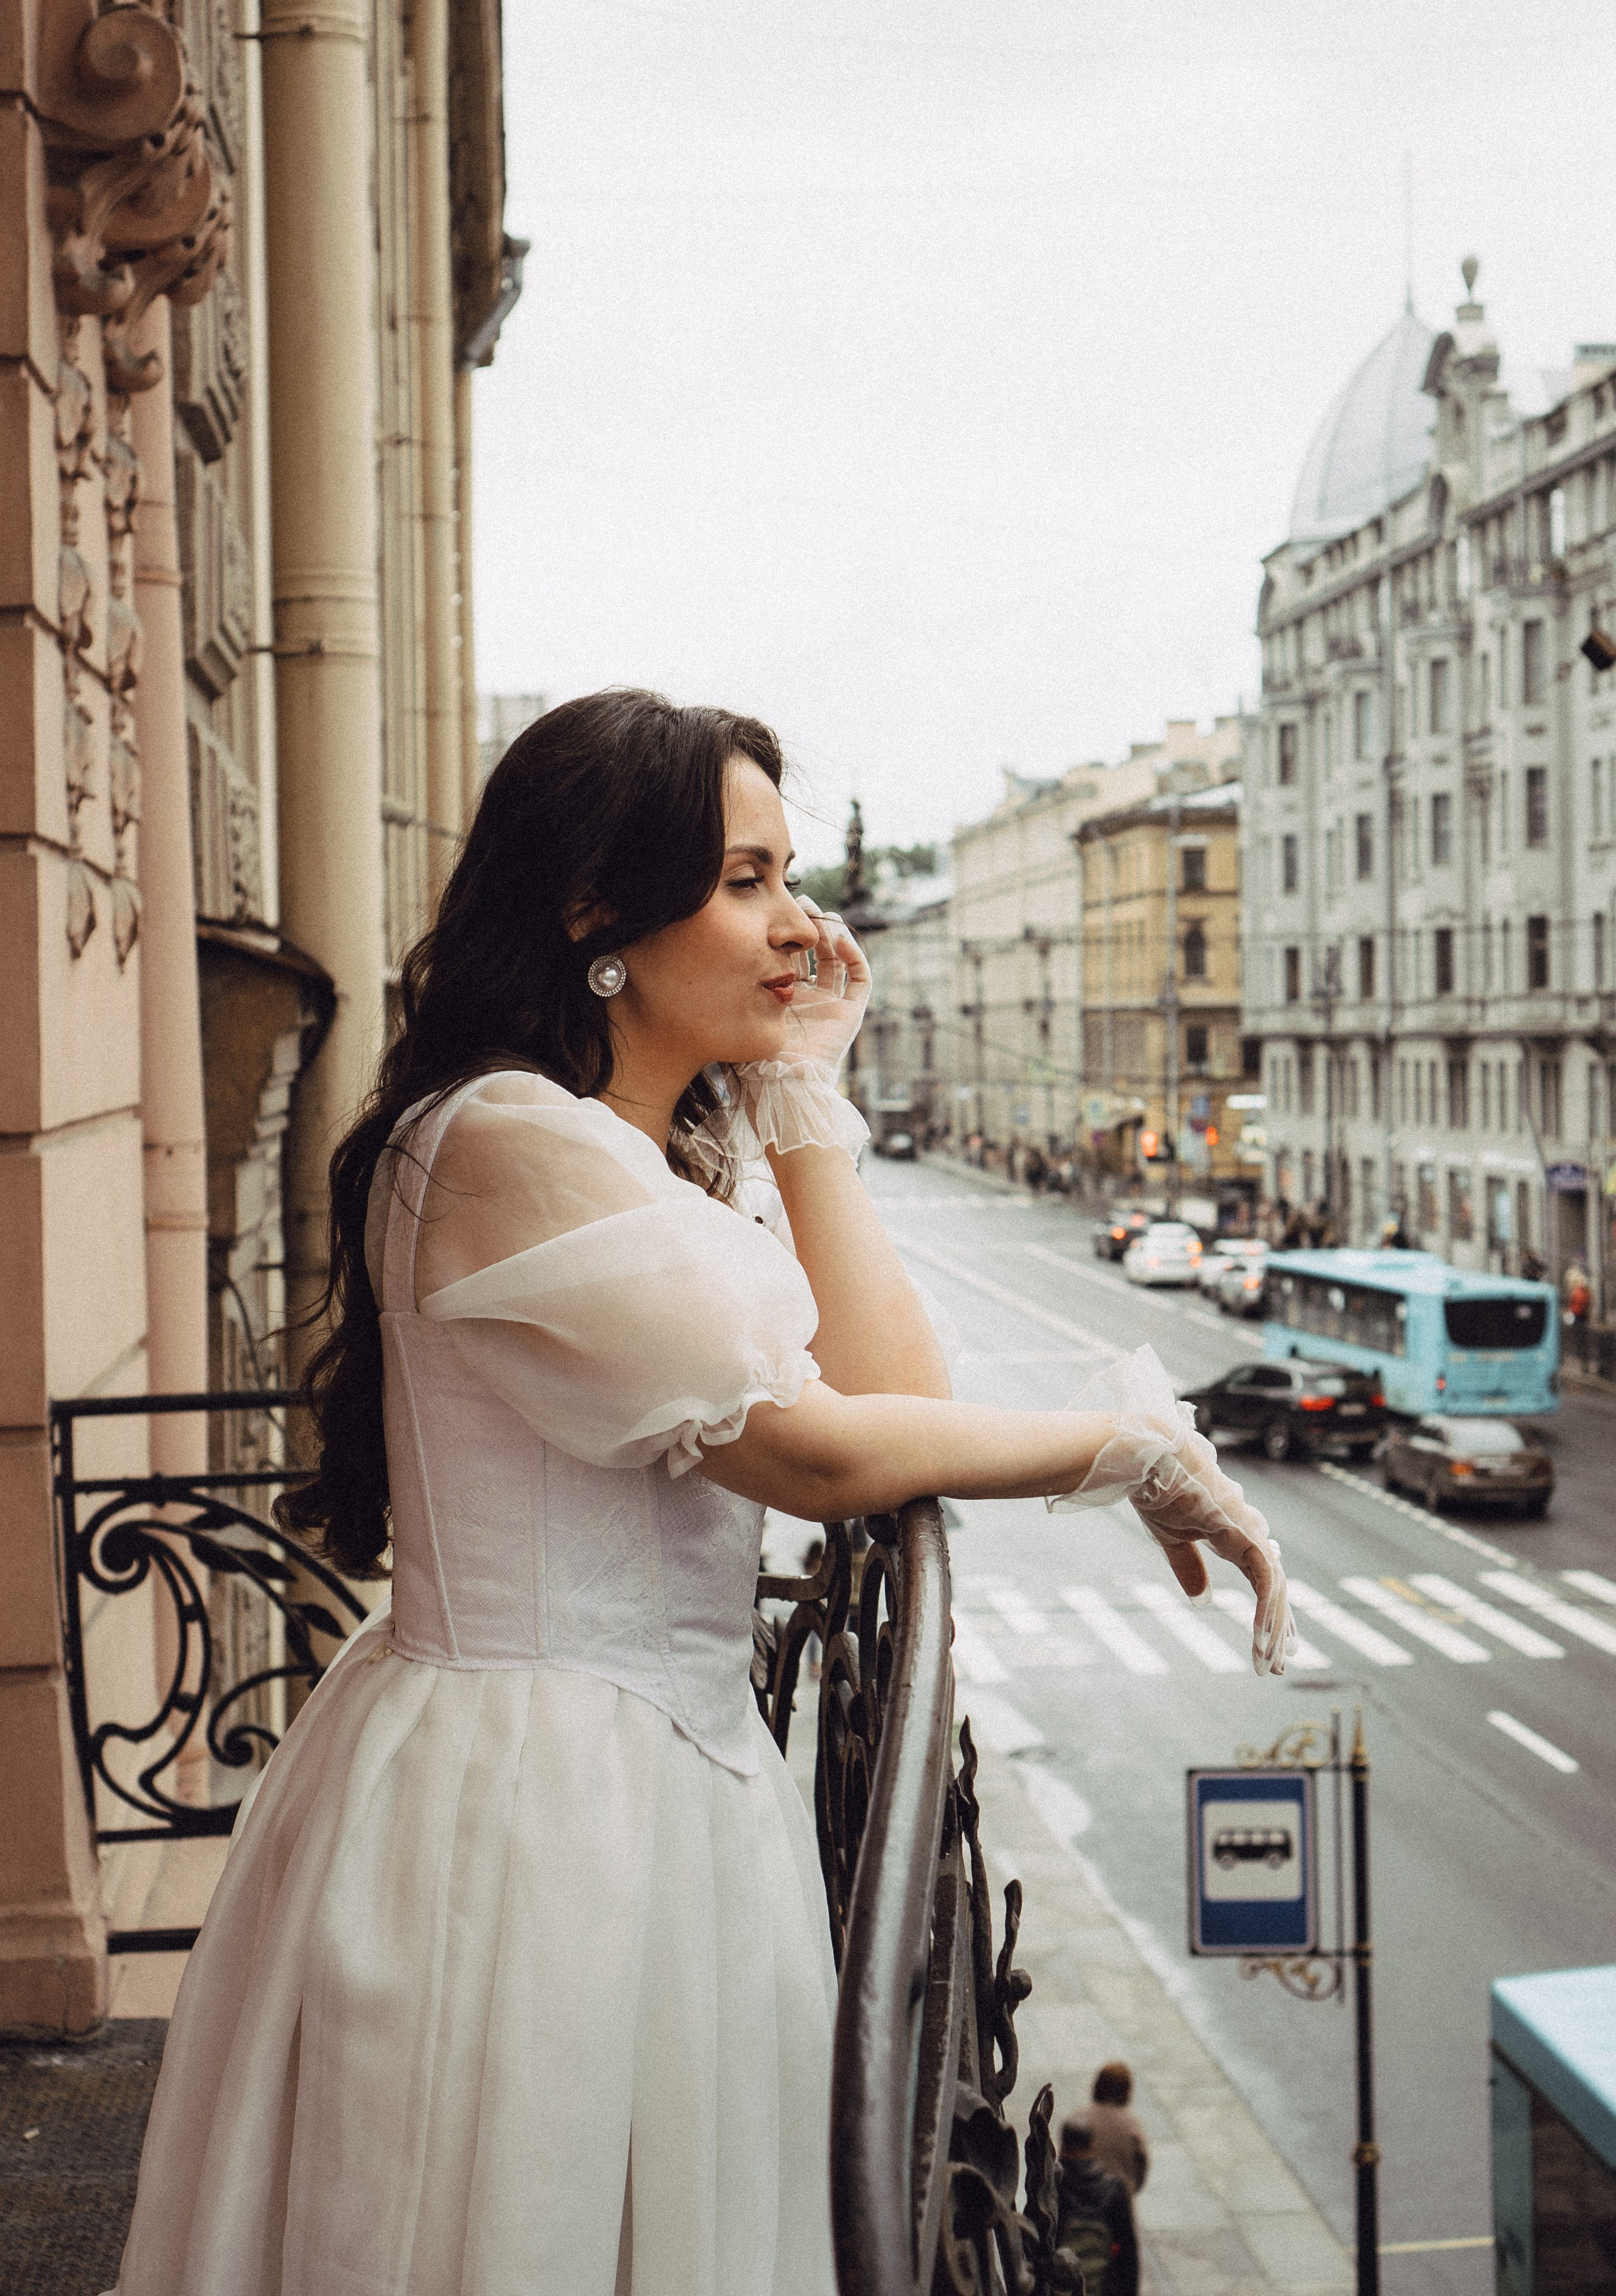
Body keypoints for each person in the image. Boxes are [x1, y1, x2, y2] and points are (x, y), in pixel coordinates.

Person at [107, 693, 1292, 2295]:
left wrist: (801, 1099)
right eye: (746, 880)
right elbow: (816, 1452)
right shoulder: (506, 1139)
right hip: (537, 1813)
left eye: (789, 876)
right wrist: (1132, 1444)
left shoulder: (626, 1147)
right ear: (595, 912)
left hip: (648, 1788)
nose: (800, 925)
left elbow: (894, 1395)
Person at [1055, 2119, 1138, 2296]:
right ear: (1092, 2145)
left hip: (1060, 2286)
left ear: (1062, 2144)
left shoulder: (1052, 2186)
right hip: (1104, 2285)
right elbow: (1128, 2250)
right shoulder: (1114, 2187)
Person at [1067, 2061, 1150, 2195]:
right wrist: (1129, 2190)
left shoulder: (1079, 2119)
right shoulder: (1131, 2126)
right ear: (1127, 2091)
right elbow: (1141, 2166)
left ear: (1097, 2086)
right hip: (1118, 2199)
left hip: (1080, 2197)